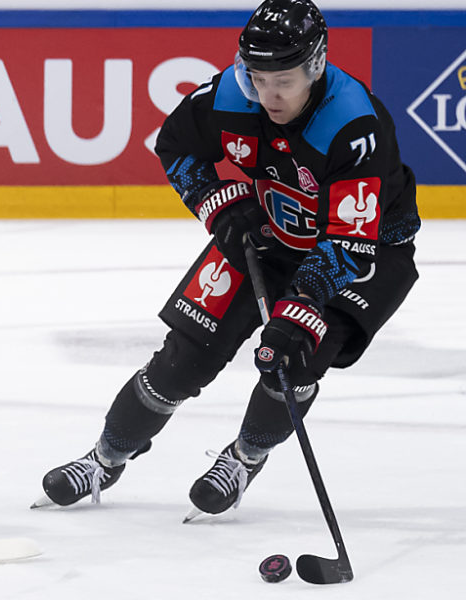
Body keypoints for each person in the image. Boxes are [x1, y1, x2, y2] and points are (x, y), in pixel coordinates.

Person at [35, 0, 420, 516]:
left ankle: (245, 458)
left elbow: (349, 241)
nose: (269, 95)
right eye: (259, 78)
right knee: (184, 357)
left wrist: (301, 304)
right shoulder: (231, 94)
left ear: (315, 65)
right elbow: (175, 145)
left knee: (292, 358)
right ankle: (105, 458)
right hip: (268, 235)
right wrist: (218, 203)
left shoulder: (352, 124)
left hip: (364, 256)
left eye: (283, 81)